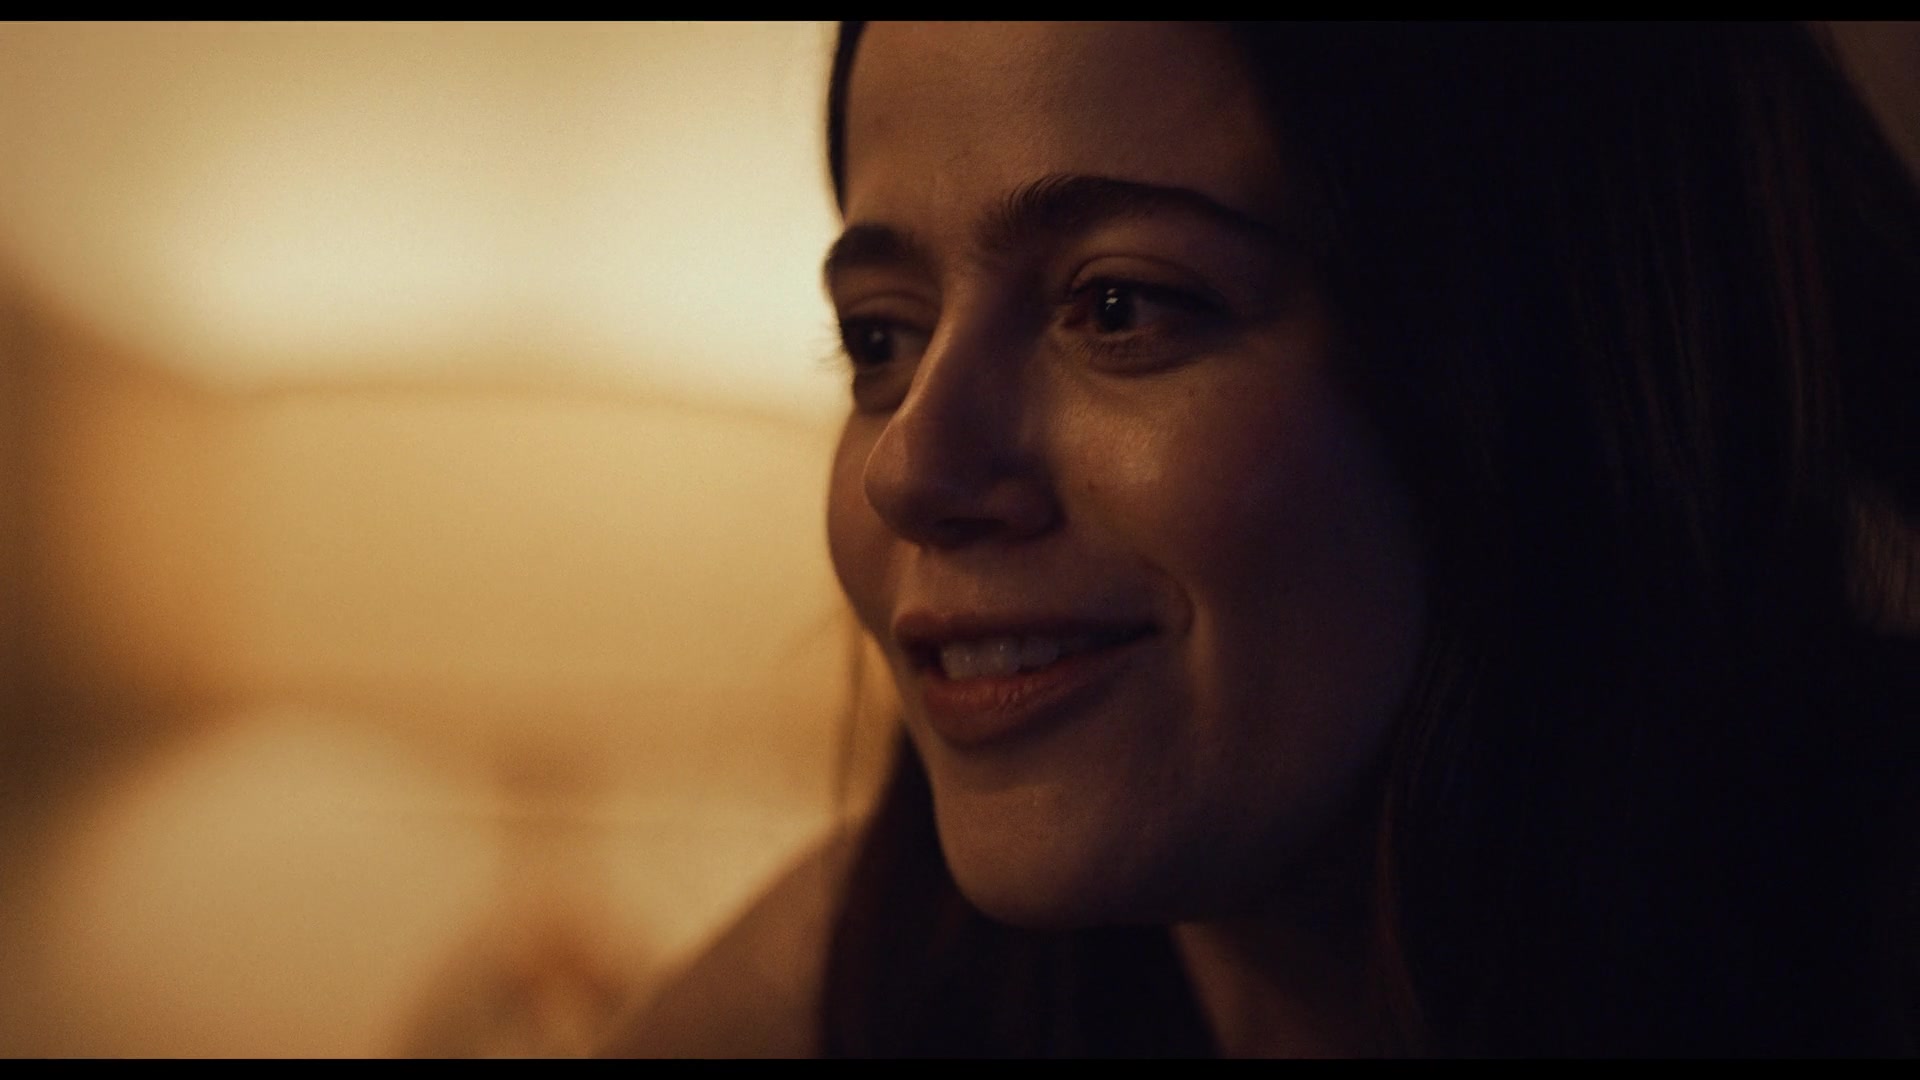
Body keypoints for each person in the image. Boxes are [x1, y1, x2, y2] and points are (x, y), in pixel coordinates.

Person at [609, 22, 1920, 1057]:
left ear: (1556, 365)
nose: (911, 469)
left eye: (1119, 306)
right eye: (880, 336)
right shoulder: (847, 989)